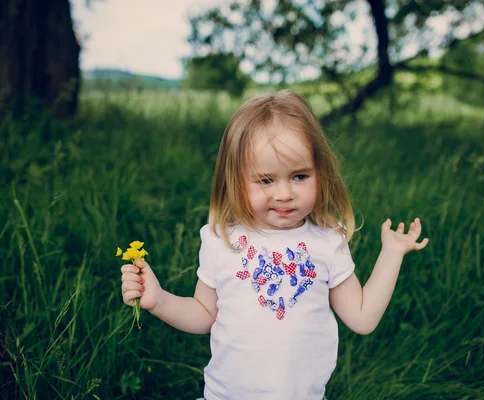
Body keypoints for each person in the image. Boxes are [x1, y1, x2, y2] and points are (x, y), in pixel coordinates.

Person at [120, 90, 429, 400]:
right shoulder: (220, 240)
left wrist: (391, 252)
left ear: (320, 172)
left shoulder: (327, 242)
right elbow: (203, 314)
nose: (284, 194)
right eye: (266, 180)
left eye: (299, 176)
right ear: (235, 180)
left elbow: (362, 318)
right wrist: (159, 300)